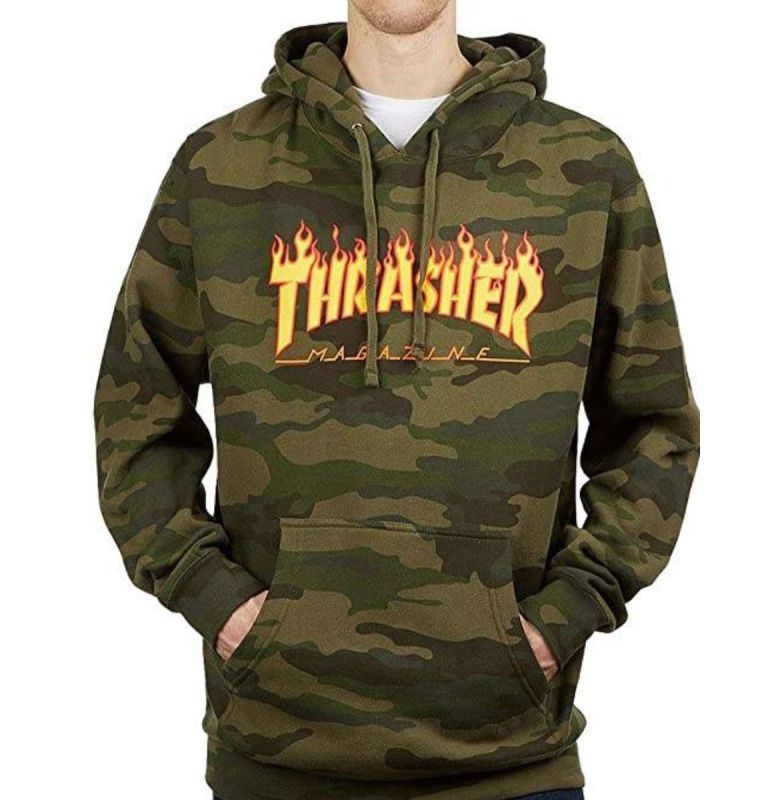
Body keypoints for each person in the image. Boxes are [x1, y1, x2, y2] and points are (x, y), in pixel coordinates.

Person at [93, 1, 700, 799]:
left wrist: (564, 616)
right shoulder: (221, 164)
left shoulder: (584, 167)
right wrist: (215, 598)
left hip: (511, 758)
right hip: (278, 755)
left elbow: (653, 426)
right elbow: (136, 409)